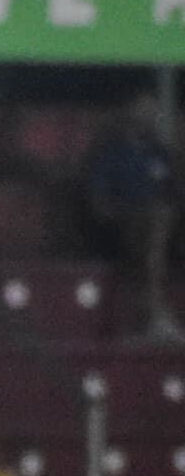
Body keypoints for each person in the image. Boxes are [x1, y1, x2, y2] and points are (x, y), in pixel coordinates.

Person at [79, 97, 181, 342]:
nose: (150, 116)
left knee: (159, 222)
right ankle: (155, 317)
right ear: (129, 114)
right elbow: (99, 205)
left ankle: (151, 319)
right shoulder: (111, 155)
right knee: (154, 228)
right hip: (122, 225)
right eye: (143, 110)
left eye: (152, 111)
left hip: (163, 225)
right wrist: (130, 214)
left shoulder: (159, 153)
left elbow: (175, 193)